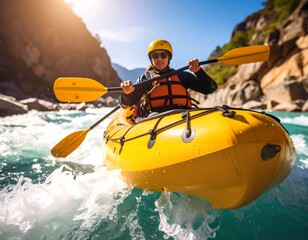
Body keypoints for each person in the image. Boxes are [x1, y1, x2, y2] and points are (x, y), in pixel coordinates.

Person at [120, 39, 217, 118]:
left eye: (163, 55)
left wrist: (198, 71)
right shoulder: (145, 79)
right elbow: (126, 104)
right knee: (154, 116)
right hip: (156, 118)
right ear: (151, 59)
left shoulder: (181, 76)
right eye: (155, 55)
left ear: (168, 58)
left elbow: (210, 88)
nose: (159, 59)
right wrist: (126, 93)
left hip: (184, 115)